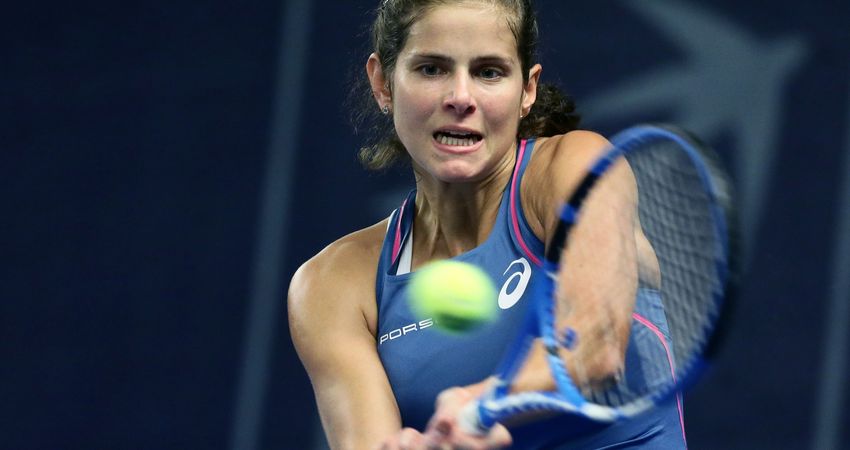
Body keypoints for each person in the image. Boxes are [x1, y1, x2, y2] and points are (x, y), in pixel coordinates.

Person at [288, 0, 687, 448]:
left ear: (527, 90)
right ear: (383, 83)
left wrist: (480, 403)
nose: (461, 97)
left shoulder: (576, 170)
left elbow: (592, 347)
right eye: (431, 69)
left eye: (489, 72)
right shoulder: (332, 283)